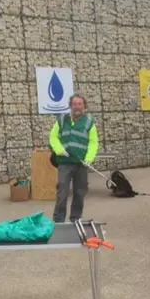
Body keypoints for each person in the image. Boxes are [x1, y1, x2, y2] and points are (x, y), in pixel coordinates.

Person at [49, 94, 99, 223]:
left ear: (84, 106)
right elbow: (53, 137)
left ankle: (76, 218)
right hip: (64, 163)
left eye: (79, 104)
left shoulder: (89, 122)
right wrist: (59, 150)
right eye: (74, 104)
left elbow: (93, 142)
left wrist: (89, 158)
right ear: (70, 106)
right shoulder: (61, 120)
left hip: (81, 164)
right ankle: (58, 220)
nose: (76, 107)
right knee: (62, 193)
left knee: (79, 193)